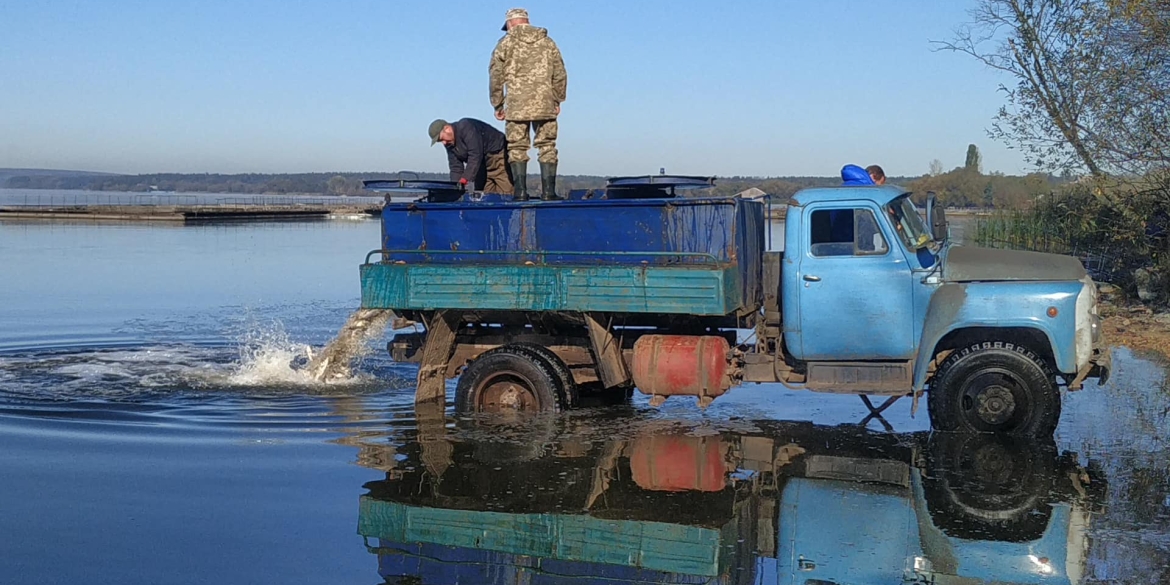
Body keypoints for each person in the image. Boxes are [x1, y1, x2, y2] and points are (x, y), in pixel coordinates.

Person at [489, 8, 567, 201]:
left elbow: (495, 76)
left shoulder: (505, 44)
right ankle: (548, 192)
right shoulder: (548, 43)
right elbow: (560, 73)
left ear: (509, 24)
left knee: (516, 147)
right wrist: (558, 99)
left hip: (516, 105)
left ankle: (520, 192)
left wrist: (497, 104)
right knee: (547, 145)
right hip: (545, 103)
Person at [428, 118, 514, 194]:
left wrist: (465, 179)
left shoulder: (466, 127)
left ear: (447, 128)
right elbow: (455, 167)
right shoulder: (449, 144)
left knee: (506, 193)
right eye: (440, 141)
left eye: (442, 139)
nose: (444, 143)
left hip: (497, 156)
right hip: (481, 165)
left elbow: (475, 154)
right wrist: (455, 188)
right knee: (484, 195)